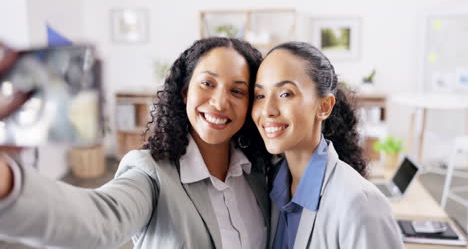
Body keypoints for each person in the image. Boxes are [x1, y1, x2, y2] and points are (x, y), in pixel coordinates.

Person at [0, 38, 271, 249]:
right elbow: (97, 222)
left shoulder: (260, 171)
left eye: (237, 90)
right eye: (207, 83)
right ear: (186, 92)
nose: (220, 102)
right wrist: (6, 184)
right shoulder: (150, 173)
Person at [251, 41, 403, 249]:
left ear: (324, 107)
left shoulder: (360, 204)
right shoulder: (271, 185)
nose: (267, 110)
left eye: (286, 94)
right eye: (260, 95)